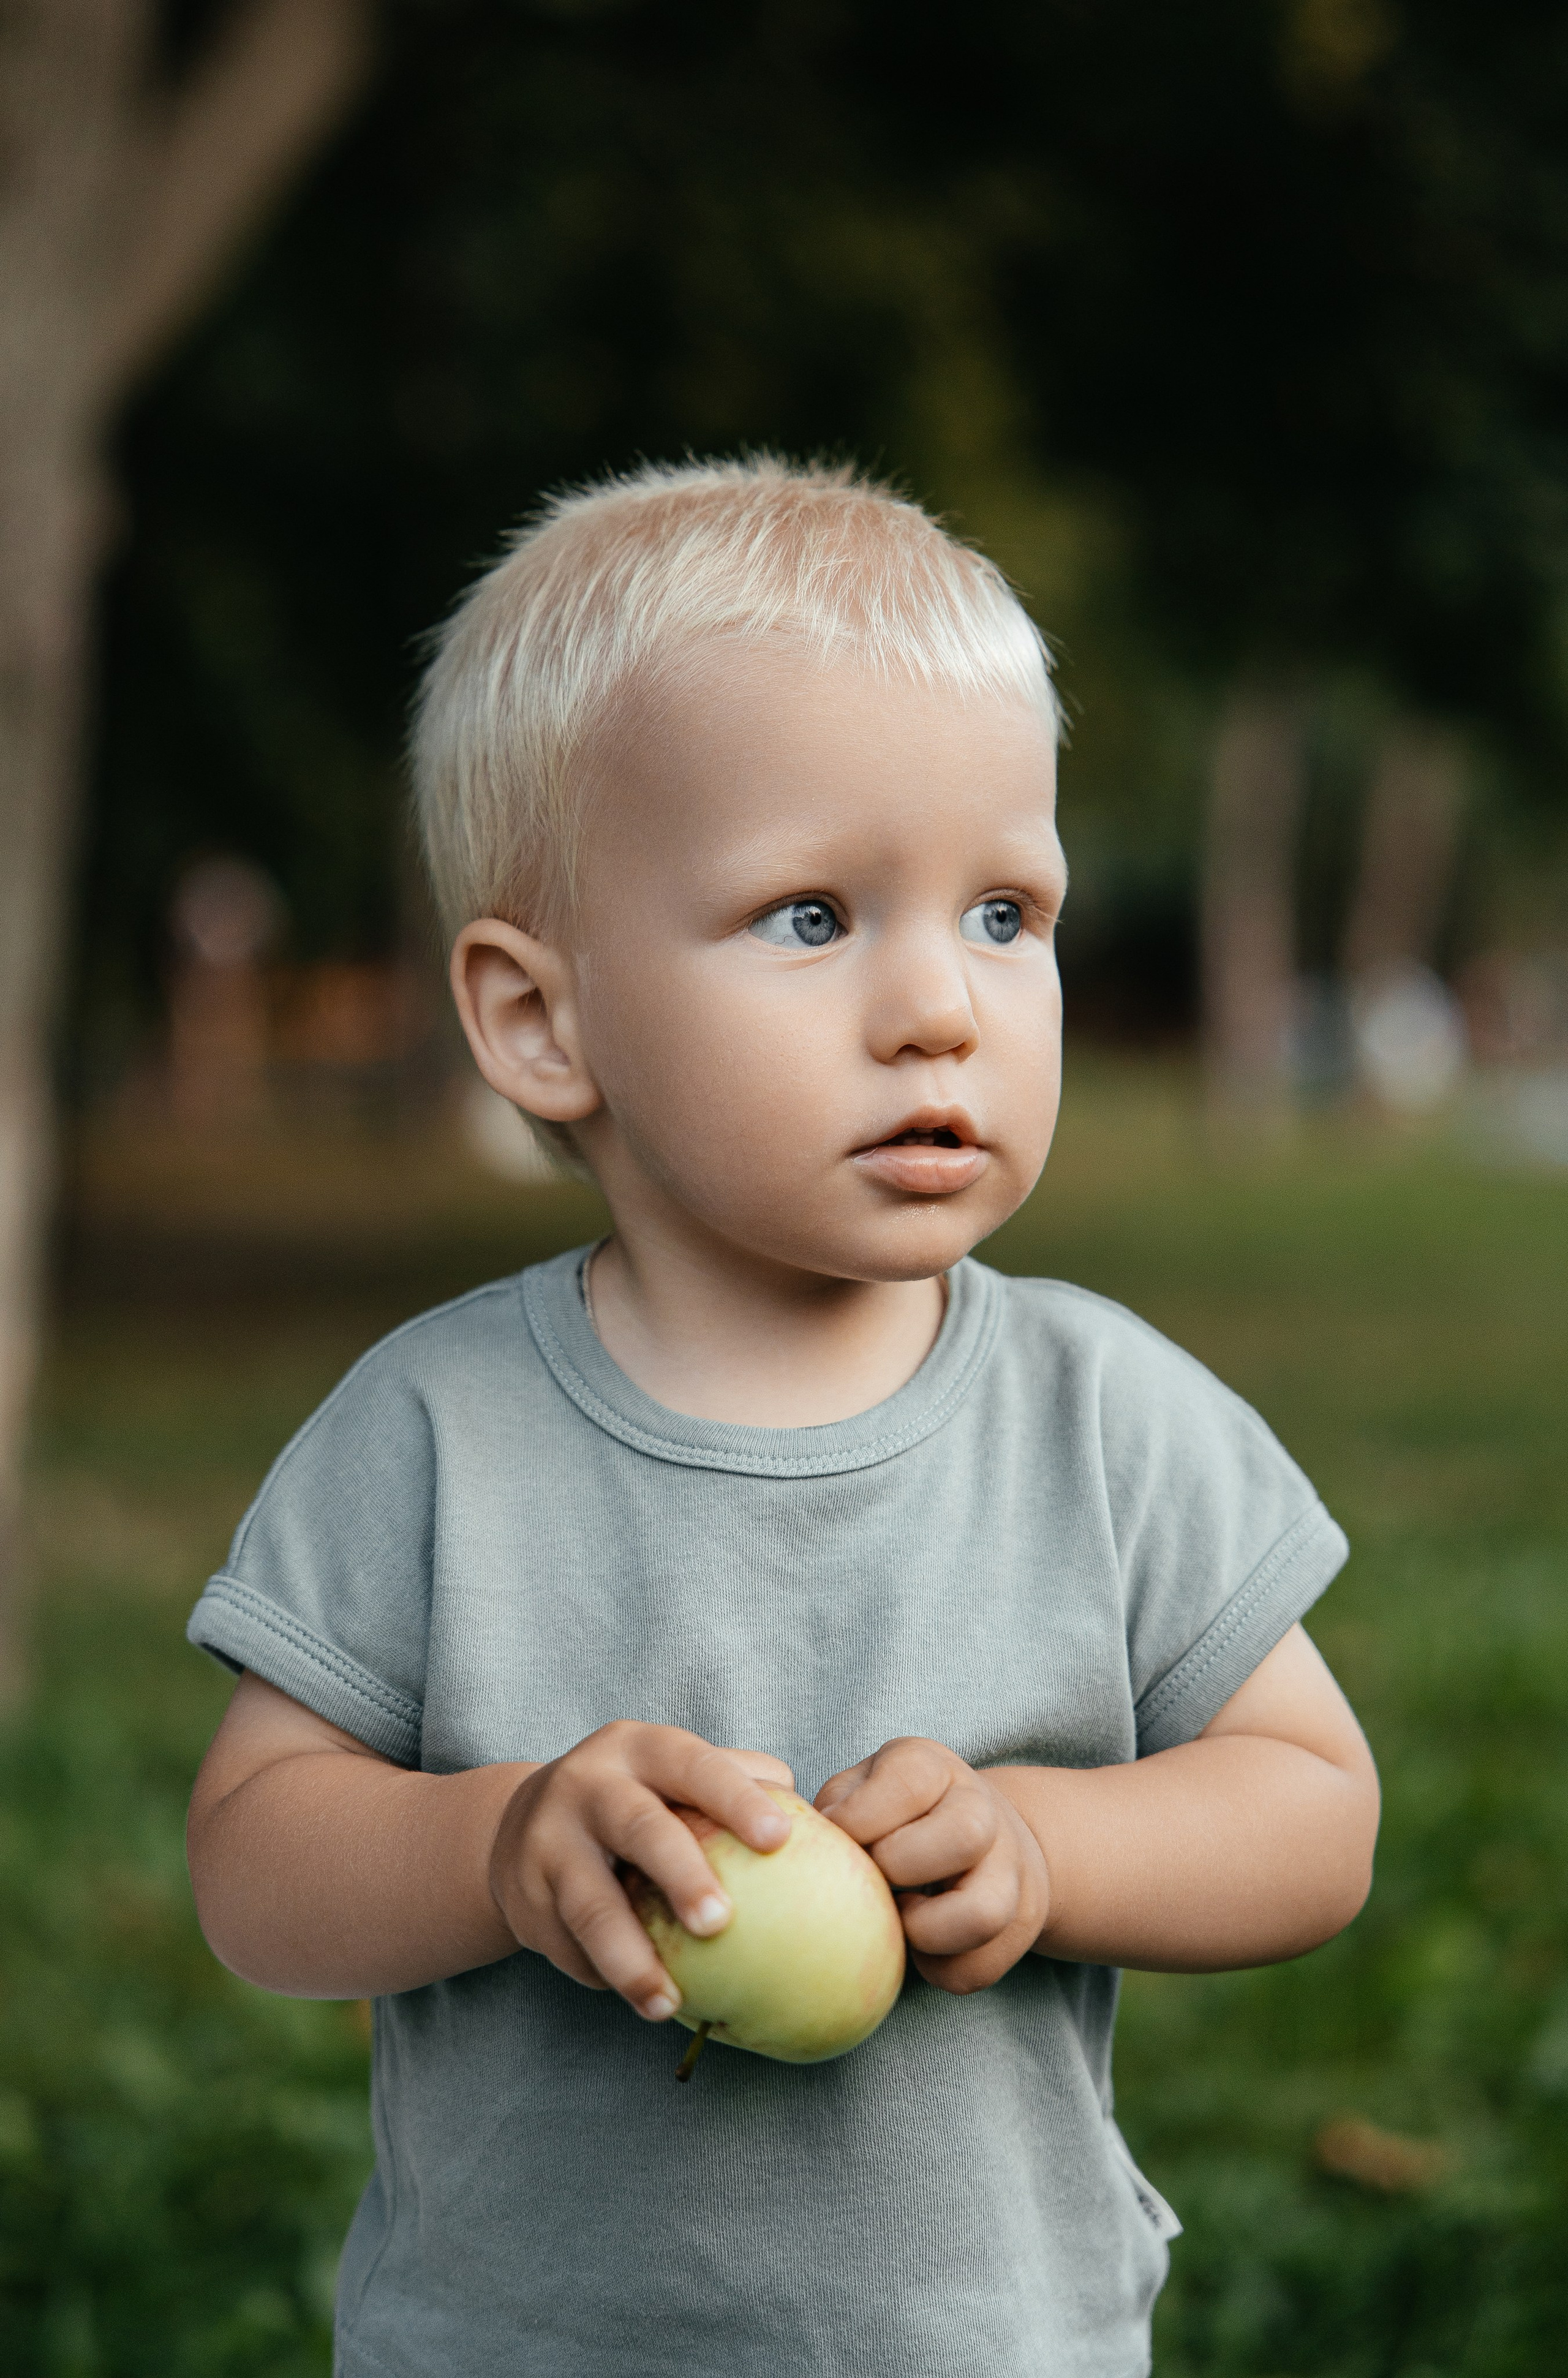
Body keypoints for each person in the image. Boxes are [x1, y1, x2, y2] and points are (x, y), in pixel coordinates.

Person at [184, 458, 1379, 2378]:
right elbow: (255, 1861)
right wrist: (501, 1847)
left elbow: (1317, 1812)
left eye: (1007, 909)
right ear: (539, 1021)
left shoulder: (1108, 1417)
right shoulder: (428, 1430)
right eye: (815, 914)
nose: (941, 1008)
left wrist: (1052, 1845)